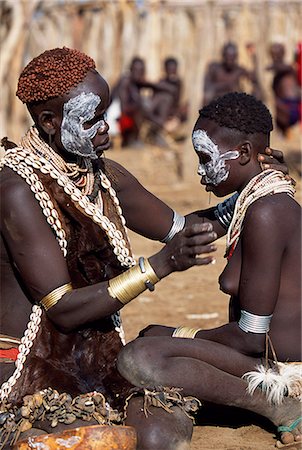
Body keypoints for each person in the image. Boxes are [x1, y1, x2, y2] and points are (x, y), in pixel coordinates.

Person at [0, 47, 288, 450]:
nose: (106, 130)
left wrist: (254, 182)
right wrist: (159, 267)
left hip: (101, 361)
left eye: (106, 115)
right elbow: (64, 310)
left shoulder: (101, 174)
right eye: (92, 120)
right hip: (30, 368)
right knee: (62, 438)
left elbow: (183, 229)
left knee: (159, 434)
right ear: (49, 122)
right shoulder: (17, 189)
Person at [117, 92, 301, 449]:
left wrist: (181, 335)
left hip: (282, 368)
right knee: (151, 340)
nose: (200, 170)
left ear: (245, 154)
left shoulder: (267, 212)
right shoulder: (254, 200)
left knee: (143, 355)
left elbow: (252, 336)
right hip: (257, 356)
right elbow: (191, 228)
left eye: (205, 159)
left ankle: (279, 404)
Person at [202, 42, 263, 107]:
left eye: (232, 57)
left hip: (235, 104)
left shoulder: (239, 70)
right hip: (217, 102)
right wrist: (225, 86)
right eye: (228, 57)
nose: (230, 60)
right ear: (223, 56)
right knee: (207, 97)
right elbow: (207, 88)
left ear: (236, 57)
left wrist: (254, 58)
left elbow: (254, 80)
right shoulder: (214, 68)